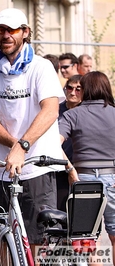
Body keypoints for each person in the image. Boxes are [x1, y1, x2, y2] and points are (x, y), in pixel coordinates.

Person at [0, 8, 65, 250]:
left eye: (11, 30)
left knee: (37, 242)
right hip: (2, 169)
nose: (5, 35)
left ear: (25, 32)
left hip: (36, 168)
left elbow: (50, 110)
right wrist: (14, 145)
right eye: (0, 30)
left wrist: (23, 146)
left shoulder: (41, 67)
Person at [59, 71, 115, 263]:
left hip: (83, 179)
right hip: (112, 177)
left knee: (89, 238)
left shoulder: (72, 115)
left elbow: (53, 144)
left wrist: (69, 168)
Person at [56, 74, 82, 211]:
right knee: (60, 210)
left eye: (78, 89)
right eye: (69, 88)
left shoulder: (86, 111)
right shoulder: (55, 110)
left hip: (82, 167)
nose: (73, 92)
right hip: (58, 166)